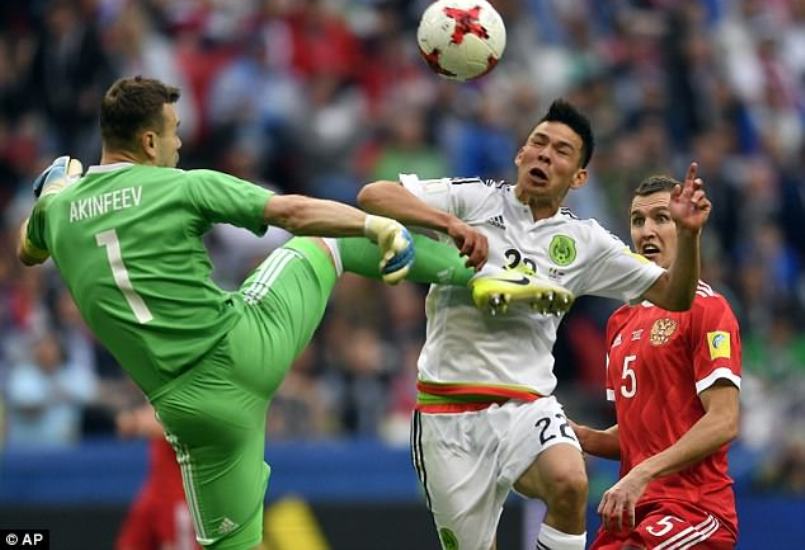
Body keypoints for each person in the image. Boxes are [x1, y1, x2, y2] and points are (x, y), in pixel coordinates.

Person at [15, 75, 564, 549]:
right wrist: (373, 225)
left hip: (190, 414)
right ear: (149, 140)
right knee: (327, 242)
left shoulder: (55, 212)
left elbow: (27, 251)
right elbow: (294, 212)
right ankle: (484, 274)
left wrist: (57, 187)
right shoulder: (183, 186)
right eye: (175, 131)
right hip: (243, 346)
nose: (180, 143)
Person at [357, 99, 712, 550]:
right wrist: (447, 223)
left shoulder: (585, 241)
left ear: (578, 177)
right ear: (520, 155)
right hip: (448, 411)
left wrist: (689, 235)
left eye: (562, 151)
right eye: (538, 143)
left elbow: (675, 296)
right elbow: (373, 195)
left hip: (527, 405)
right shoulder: (475, 200)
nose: (545, 154)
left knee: (570, 481)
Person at [571, 175, 741, 549]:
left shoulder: (708, 309)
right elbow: (638, 434)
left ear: (684, 228)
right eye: (638, 220)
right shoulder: (620, 322)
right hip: (634, 511)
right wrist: (582, 436)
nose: (646, 230)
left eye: (661, 218)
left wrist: (642, 473)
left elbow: (724, 420)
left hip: (694, 510)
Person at [116, 403, 199, 550]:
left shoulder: (192, 398)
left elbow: (179, 424)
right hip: (154, 492)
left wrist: (135, 420)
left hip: (179, 497)